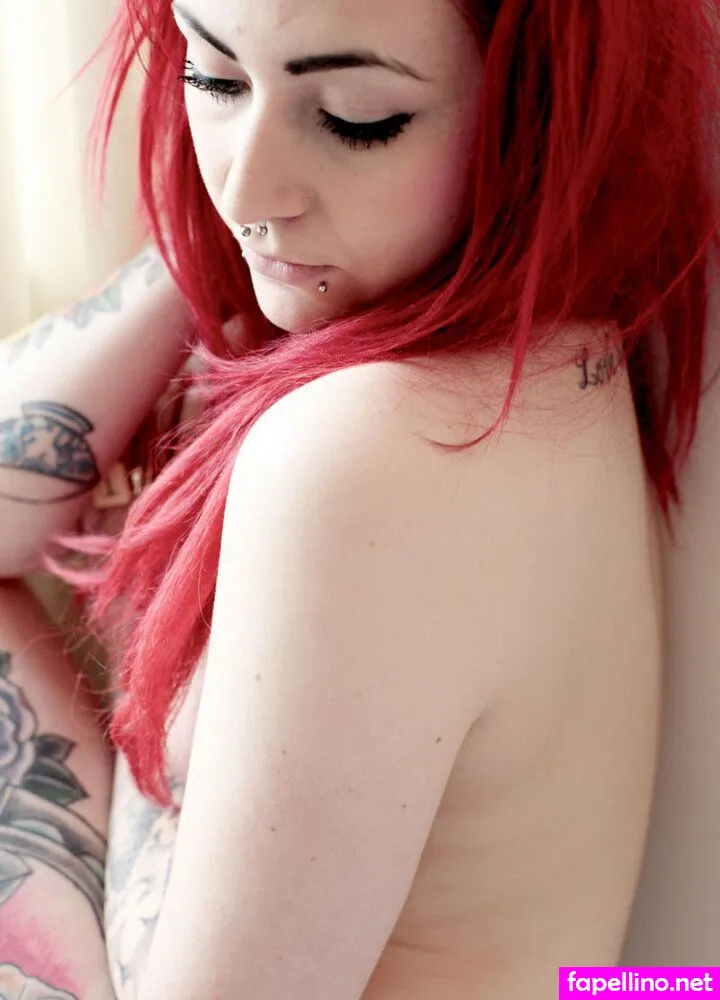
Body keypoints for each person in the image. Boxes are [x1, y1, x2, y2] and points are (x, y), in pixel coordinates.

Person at [0, 1, 718, 998]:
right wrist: (212, 262)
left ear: (532, 111)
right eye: (212, 75)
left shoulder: (375, 456)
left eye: (357, 118)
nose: (245, 186)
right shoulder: (548, 350)